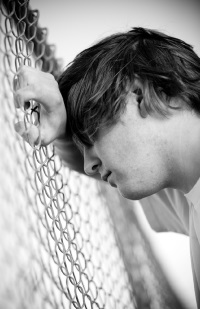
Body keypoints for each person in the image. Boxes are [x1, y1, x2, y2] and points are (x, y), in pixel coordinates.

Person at [13, 27, 200, 307]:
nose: (89, 167)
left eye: (88, 136)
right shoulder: (187, 190)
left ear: (140, 94)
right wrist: (65, 129)